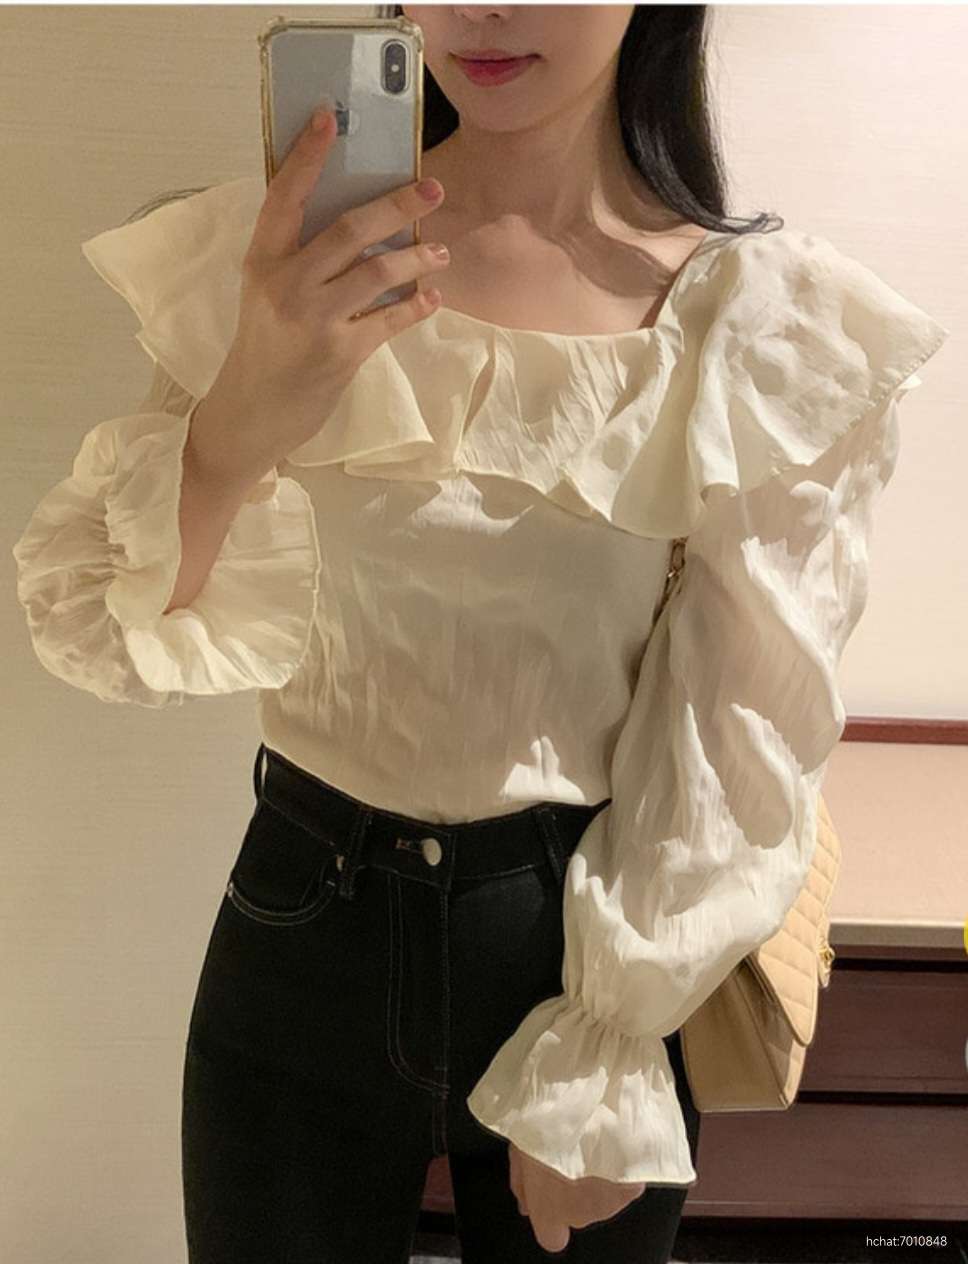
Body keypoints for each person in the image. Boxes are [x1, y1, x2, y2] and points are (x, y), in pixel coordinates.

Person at [11, 6, 948, 1263]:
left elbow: (739, 716)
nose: (483, 7)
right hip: (302, 918)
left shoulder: (755, 322)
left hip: (578, 936)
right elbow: (99, 632)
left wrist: (611, 1038)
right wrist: (240, 415)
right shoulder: (281, 260)